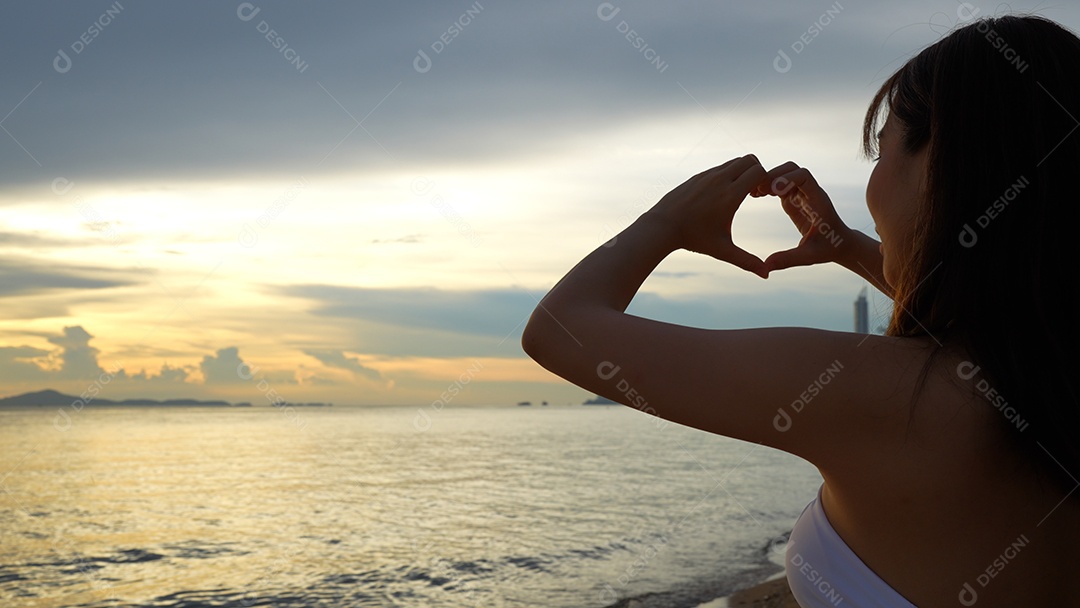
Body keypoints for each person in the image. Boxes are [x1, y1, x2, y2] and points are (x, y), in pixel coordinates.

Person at [521, 14, 1079, 607]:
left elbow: (559, 328)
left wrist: (667, 222)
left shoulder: (886, 396)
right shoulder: (1045, 380)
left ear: (941, 163)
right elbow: (1007, 317)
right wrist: (848, 247)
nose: (871, 184)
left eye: (880, 150)